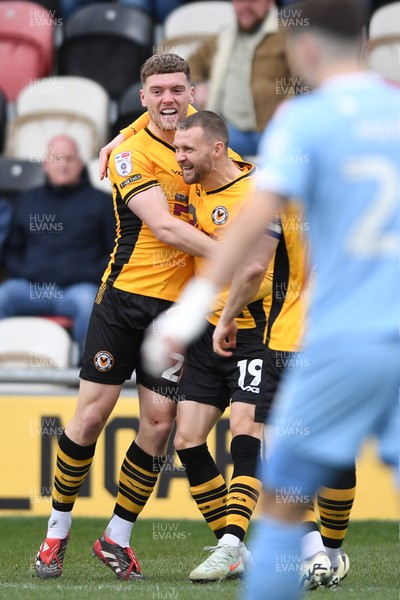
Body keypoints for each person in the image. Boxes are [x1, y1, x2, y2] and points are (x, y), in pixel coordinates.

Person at [142, 2, 400, 599]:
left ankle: (297, 555)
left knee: (283, 489)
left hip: (329, 333)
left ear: (303, 51)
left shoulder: (302, 121)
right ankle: (327, 553)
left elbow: (248, 242)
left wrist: (189, 313)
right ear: (362, 41)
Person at [33, 53, 217, 581]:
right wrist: (232, 252)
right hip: (124, 299)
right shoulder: (129, 154)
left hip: (176, 312)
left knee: (158, 425)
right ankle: (54, 534)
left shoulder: (199, 144)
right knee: (91, 417)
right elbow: (163, 226)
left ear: (190, 94)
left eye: (177, 89)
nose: (168, 99)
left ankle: (116, 537)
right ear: (142, 96)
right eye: (157, 90)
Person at [213, 206, 353, 589]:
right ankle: (334, 552)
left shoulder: (285, 198)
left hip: (288, 340)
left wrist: (227, 317)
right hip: (346, 339)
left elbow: (256, 267)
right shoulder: (364, 187)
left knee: (279, 448)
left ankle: (314, 554)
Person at [171, 110, 276, 582]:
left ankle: (234, 543)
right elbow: (158, 112)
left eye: (187, 150)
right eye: (175, 149)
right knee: (187, 440)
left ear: (218, 150)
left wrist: (229, 318)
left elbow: (256, 272)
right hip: (206, 331)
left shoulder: (257, 195)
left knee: (245, 431)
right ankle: (233, 548)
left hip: (251, 329)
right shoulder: (193, 181)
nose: (179, 158)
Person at [0, 135, 115, 359]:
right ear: (45, 164)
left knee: (90, 305)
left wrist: (88, 275)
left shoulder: (101, 203)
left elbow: (113, 252)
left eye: (69, 159)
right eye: (56, 159)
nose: (63, 165)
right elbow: (12, 250)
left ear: (80, 164)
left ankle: (86, 373)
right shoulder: (27, 200)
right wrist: (27, 272)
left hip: (78, 289)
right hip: (31, 289)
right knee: (3, 296)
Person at [188, 0, 292, 156]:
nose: (246, 7)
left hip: (275, 130)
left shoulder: (287, 35)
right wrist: (199, 83)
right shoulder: (224, 37)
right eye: (240, 1)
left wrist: (292, 103)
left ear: (269, 3)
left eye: (253, 1)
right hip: (233, 131)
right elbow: (194, 60)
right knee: (197, 150)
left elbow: (307, 76)